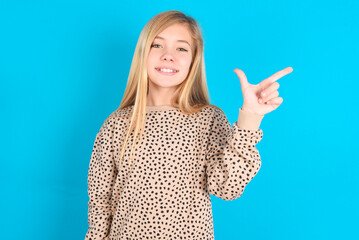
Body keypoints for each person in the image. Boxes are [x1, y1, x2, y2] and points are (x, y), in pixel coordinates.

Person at [84, 10, 293, 240]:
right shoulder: (116, 125)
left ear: (194, 60)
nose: (168, 55)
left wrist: (250, 117)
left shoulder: (209, 120)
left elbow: (227, 187)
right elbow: (100, 203)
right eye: (157, 45)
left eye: (181, 48)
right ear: (143, 53)